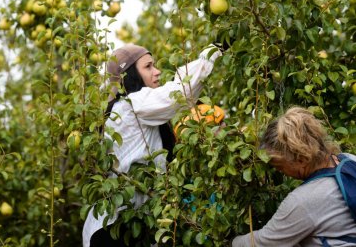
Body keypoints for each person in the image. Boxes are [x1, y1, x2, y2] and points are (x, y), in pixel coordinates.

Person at [82, 43, 222, 247]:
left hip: (131, 225)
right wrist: (214, 49)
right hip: (114, 230)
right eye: (148, 67)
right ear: (129, 75)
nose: (157, 72)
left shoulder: (126, 109)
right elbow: (182, 91)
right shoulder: (131, 106)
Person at [232, 107, 356, 247]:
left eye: (279, 166)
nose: (279, 171)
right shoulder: (350, 159)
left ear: (302, 159)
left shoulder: (304, 200)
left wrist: (232, 242)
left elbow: (265, 243)